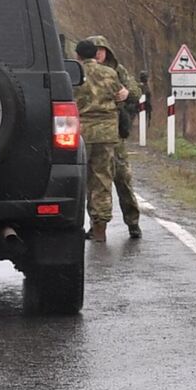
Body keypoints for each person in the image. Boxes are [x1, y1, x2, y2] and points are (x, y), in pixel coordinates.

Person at [86, 36, 143, 238]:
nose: (99, 54)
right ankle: (97, 224)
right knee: (95, 181)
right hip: (98, 134)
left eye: (102, 50)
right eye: (95, 51)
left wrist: (127, 93)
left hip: (116, 133)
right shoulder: (84, 71)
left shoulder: (118, 71)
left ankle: (132, 222)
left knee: (123, 178)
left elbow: (136, 91)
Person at [73, 39, 127, 243]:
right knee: (102, 180)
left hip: (81, 133)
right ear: (95, 54)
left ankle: (75, 224)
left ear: (78, 55)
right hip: (106, 133)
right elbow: (121, 96)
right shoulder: (110, 73)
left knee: (78, 180)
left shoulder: (73, 74)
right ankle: (100, 229)